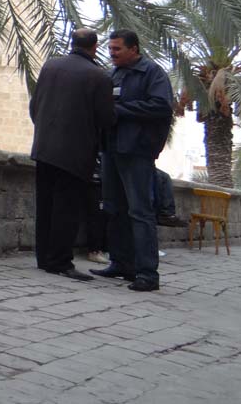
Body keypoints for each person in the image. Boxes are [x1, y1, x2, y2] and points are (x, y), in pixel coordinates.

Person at [90, 29, 173, 292]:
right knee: (114, 209)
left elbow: (161, 106)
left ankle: (147, 273)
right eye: (110, 49)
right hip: (111, 149)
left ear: (133, 49)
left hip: (137, 151)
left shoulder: (152, 73)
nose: (112, 53)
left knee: (140, 212)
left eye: (117, 49)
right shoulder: (114, 74)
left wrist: (120, 110)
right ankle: (121, 263)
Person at [29, 28, 114, 281]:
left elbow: (35, 105)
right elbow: (106, 118)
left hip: (44, 147)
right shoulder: (99, 76)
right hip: (76, 152)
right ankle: (60, 262)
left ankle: (44, 258)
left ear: (72, 43)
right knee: (67, 208)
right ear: (94, 47)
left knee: (45, 205)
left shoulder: (50, 66)